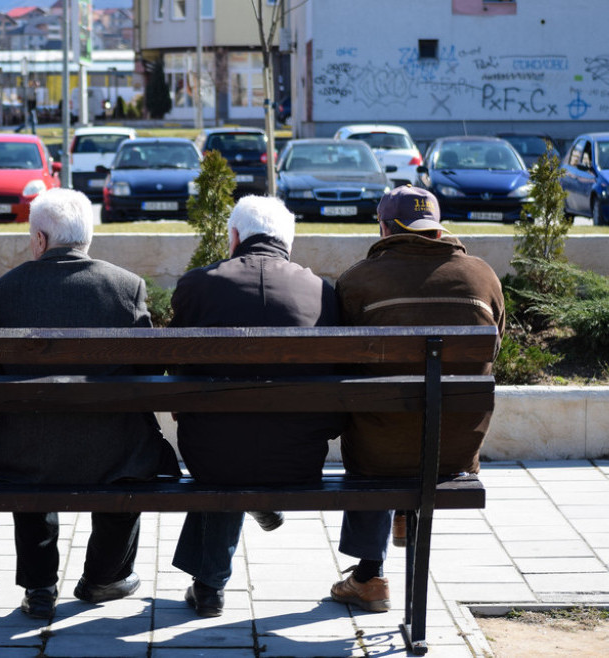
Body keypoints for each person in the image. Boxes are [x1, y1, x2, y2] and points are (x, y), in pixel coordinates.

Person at [0, 188, 180, 620]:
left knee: (31, 454)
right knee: (129, 455)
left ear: (39, 239)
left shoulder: (4, 292)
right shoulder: (127, 287)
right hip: (113, 448)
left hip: (24, 449)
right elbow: (150, 370)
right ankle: (104, 577)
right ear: (87, 238)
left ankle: (38, 587)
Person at [331, 185, 505, 613]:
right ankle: (406, 516)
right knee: (405, 419)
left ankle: (369, 578)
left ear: (386, 227)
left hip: (379, 451)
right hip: (454, 452)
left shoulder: (357, 280)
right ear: (436, 228)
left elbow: (340, 363)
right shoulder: (483, 276)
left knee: (372, 421)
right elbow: (496, 348)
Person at [169, 195, 345, 617]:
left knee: (225, 440)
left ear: (234, 236)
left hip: (210, 453)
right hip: (298, 458)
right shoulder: (322, 291)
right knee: (244, 438)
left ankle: (210, 586)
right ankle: (259, 504)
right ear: (289, 241)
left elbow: (174, 374)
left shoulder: (198, 284)